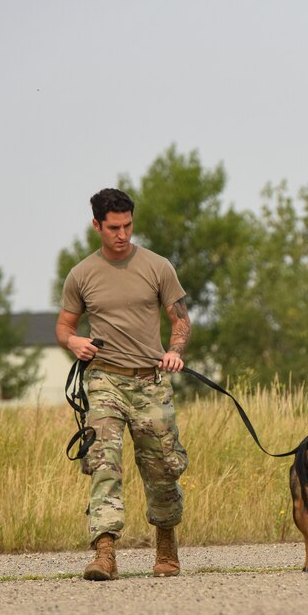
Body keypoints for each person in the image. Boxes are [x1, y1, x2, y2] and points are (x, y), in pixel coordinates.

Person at [56, 187, 191, 580]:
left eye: (128, 225)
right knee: (102, 463)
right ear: (97, 224)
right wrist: (74, 341)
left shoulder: (157, 266)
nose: (122, 234)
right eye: (114, 227)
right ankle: (105, 553)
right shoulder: (82, 274)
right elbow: (64, 327)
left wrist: (175, 349)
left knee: (163, 466)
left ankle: (165, 545)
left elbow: (179, 318)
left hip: (150, 381)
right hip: (104, 381)